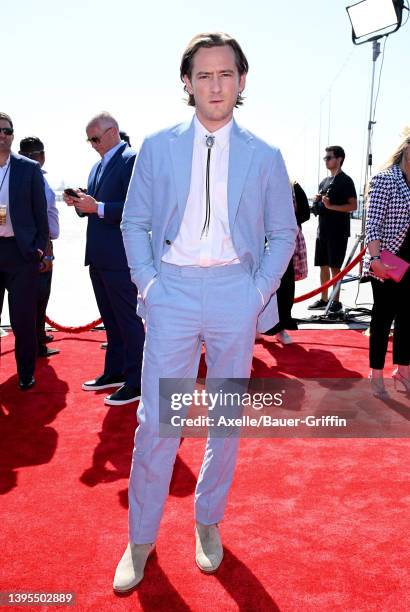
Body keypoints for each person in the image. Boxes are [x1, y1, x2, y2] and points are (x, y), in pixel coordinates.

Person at [114, 32, 297, 592]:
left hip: (232, 294)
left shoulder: (265, 155)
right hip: (170, 290)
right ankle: (140, 539)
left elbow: (282, 232)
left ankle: (207, 522)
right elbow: (134, 222)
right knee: (156, 423)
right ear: (187, 84)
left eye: (225, 74)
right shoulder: (156, 146)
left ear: (242, 82)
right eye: (204, 75)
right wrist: (148, 285)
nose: (215, 85)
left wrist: (255, 293)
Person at [63, 113, 144, 406]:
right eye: (89, 139)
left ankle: (138, 382)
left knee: (128, 320)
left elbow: (139, 208)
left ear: (113, 132)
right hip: (99, 255)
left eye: (95, 138)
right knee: (112, 321)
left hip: (121, 256)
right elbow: (95, 207)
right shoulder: (98, 165)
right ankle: (116, 371)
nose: (92, 144)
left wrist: (97, 207)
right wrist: (81, 203)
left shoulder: (131, 159)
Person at [0, 112, 48, 389]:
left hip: (21, 254)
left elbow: (41, 215)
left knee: (23, 320)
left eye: (7, 131)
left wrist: (39, 249)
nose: (3, 135)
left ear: (13, 135)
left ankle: (26, 373)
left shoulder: (28, 169)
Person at [363, 129, 410, 398]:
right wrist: (376, 259)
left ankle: (403, 371)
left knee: (408, 319)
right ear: (406, 148)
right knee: (382, 318)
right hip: (390, 262)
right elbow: (373, 225)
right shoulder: (385, 179)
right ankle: (376, 373)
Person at [18, 136, 60, 358]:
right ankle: (36, 344)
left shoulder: (24, 176)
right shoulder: (35, 178)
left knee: (36, 297)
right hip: (40, 246)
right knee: (38, 297)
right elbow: (40, 217)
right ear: (40, 156)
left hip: (34, 244)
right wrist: (45, 252)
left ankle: (38, 337)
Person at [308, 146, 357, 313]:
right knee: (322, 265)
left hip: (338, 232)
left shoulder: (346, 180)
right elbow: (322, 207)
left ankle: (336, 302)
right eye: (325, 158)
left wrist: (331, 206)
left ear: (339, 159)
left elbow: (353, 206)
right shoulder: (324, 181)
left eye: (329, 157)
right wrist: (317, 202)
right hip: (322, 231)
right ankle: (324, 299)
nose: (326, 160)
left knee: (335, 267)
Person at [262, 180, 310, 343]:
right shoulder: (257, 183)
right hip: (257, 241)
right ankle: (255, 326)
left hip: (284, 242)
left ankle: (280, 328)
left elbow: (305, 213)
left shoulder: (293, 186)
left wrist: (284, 220)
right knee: (255, 286)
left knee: (284, 287)